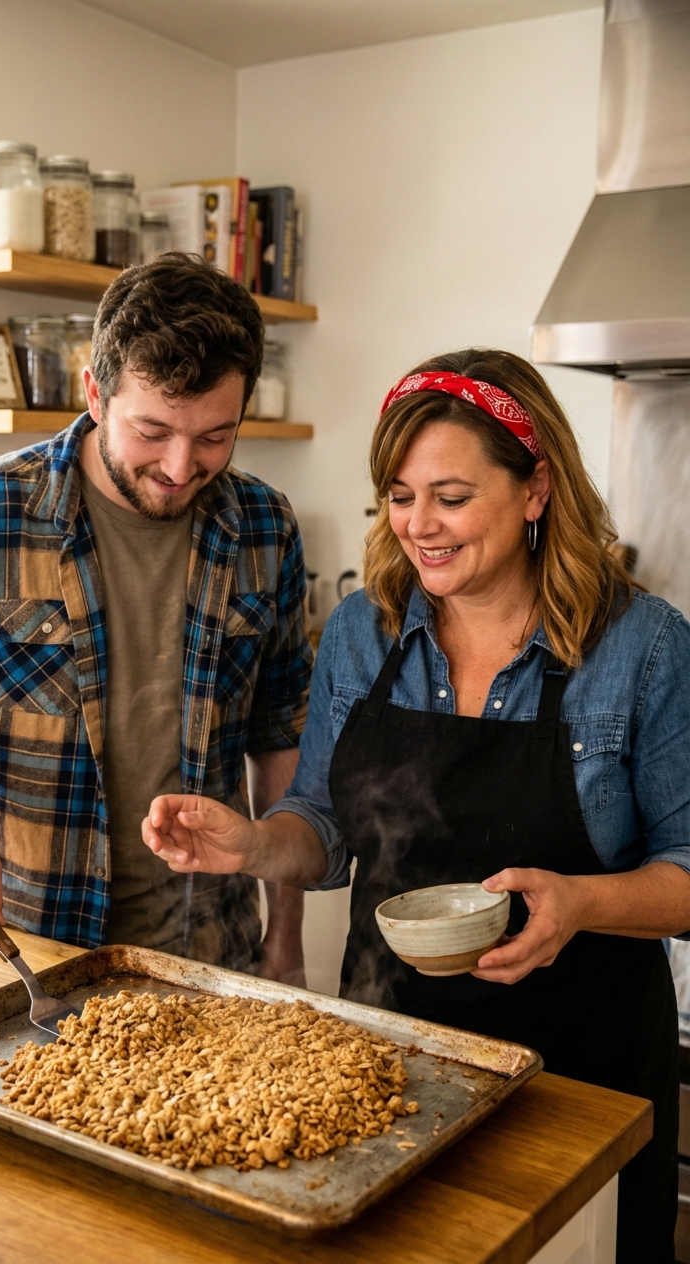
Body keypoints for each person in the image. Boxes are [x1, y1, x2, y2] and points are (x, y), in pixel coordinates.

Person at [142, 349, 690, 1262]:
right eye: (399, 496)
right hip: (394, 1062)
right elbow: (325, 827)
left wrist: (580, 904)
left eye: (451, 496)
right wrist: (253, 845)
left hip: (585, 1077)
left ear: (535, 489)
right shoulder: (366, 631)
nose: (418, 526)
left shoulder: (643, 648)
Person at [0, 253, 312, 983]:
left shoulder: (264, 526)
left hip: (210, 957)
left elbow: (281, 741)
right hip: (24, 958)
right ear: (95, 392)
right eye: (152, 430)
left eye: (215, 436)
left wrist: (286, 938)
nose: (181, 466)